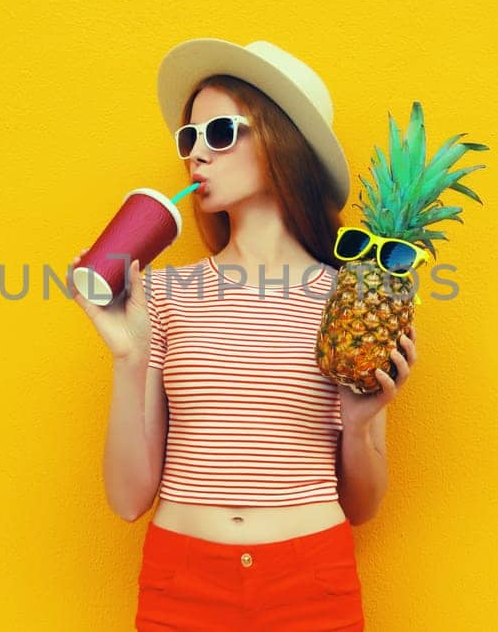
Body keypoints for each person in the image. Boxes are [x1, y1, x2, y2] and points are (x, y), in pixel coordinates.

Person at [70, 39, 417, 631]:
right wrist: (129, 358)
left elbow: (362, 508)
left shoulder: (355, 297)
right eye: (189, 138)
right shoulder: (165, 294)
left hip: (311, 581)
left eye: (220, 133)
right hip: (182, 581)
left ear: (284, 142)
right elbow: (128, 501)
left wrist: (359, 424)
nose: (196, 155)